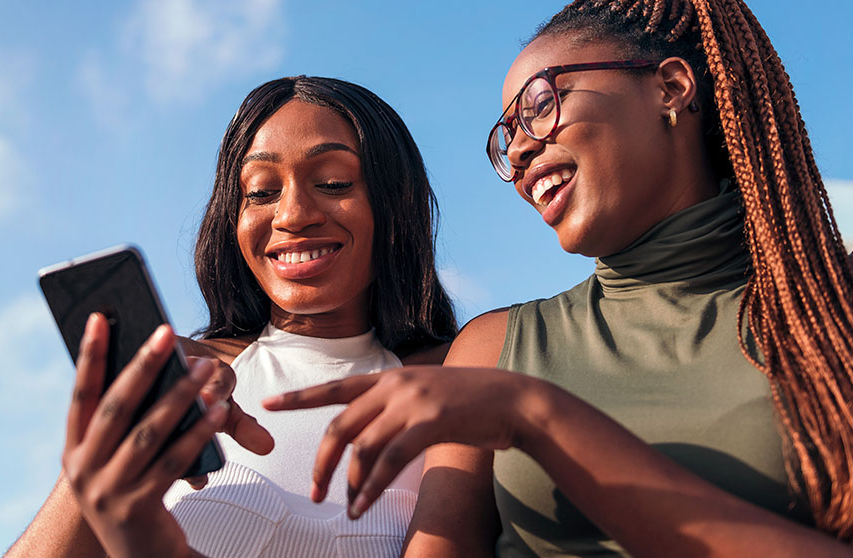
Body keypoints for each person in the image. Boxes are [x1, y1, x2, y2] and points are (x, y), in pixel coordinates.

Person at [262, 1, 853, 556]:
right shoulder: (494, 351)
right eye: (505, 133)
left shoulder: (833, 315)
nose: (517, 150)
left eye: (541, 105)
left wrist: (540, 419)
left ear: (670, 87)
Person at [5, 76, 457, 558]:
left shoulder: (459, 375)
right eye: (261, 192)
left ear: (397, 201)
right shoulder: (187, 376)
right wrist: (99, 460)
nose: (293, 214)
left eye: (332, 183)